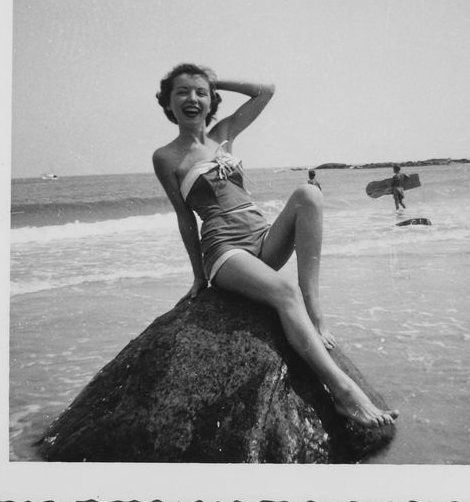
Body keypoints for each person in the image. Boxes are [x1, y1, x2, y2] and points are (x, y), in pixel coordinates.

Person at [152, 63, 397, 429]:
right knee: (284, 292)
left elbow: (266, 90)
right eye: (182, 92)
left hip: (261, 235)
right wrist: (197, 276)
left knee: (309, 194)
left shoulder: (225, 133)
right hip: (224, 250)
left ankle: (316, 313)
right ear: (168, 103)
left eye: (201, 92)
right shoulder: (166, 157)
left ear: (211, 100)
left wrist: (215, 79)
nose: (192, 98)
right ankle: (344, 392)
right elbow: (185, 218)